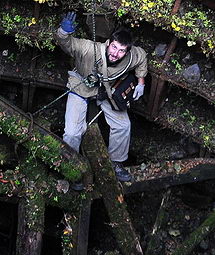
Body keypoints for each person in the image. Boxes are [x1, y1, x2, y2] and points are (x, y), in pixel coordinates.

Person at [56, 12, 148, 184]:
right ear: (108, 44)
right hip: (81, 87)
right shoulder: (89, 50)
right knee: (72, 133)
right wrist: (63, 31)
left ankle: (116, 162)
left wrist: (141, 82)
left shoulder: (131, 57)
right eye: (114, 47)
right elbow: (67, 44)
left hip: (107, 91)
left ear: (127, 52)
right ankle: (73, 168)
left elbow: (142, 57)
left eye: (121, 51)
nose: (115, 53)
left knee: (123, 125)